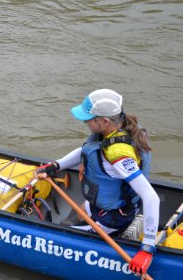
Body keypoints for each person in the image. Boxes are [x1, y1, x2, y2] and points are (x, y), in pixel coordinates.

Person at [37, 89, 160, 277]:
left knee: (63, 236)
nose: (84, 122)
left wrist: (147, 249)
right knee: (75, 214)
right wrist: (56, 165)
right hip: (100, 203)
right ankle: (79, 223)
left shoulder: (119, 154)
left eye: (88, 118)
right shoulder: (115, 128)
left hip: (113, 215)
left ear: (104, 121)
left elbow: (151, 197)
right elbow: (86, 151)